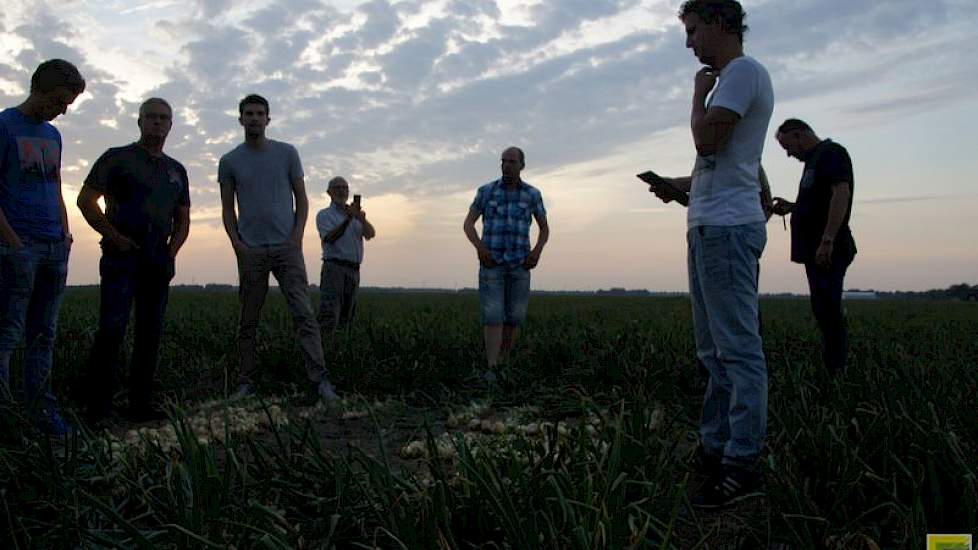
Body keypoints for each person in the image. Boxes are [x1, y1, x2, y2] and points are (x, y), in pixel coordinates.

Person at [647, 0, 773, 509]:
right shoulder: (733, 81)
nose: (689, 43)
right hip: (708, 225)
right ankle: (715, 447)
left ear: (720, 23)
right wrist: (680, 187)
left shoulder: (741, 74)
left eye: (693, 30)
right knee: (712, 352)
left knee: (738, 351)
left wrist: (696, 97)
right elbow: (720, 163)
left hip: (725, 230)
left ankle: (741, 462)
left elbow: (706, 141)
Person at [218, 94, 339, 401]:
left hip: (287, 249)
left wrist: (296, 237)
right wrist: (237, 244)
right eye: (249, 113)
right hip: (251, 251)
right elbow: (227, 208)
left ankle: (321, 382)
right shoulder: (230, 161)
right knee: (248, 319)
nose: (255, 118)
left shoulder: (287, 153)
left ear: (268, 120)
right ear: (240, 119)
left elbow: (301, 197)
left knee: (304, 314)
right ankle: (245, 382)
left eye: (260, 113)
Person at [77, 98, 190, 423]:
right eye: (151, 117)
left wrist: (171, 253)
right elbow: (86, 200)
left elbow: (182, 219)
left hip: (157, 260)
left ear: (171, 124)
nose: (157, 123)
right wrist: (114, 237)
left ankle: (139, 404)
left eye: (163, 118)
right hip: (121, 258)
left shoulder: (176, 170)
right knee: (111, 330)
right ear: (139, 122)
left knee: (149, 333)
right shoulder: (117, 158)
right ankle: (98, 408)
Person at [0, 59, 85, 435]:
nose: (63, 110)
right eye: (60, 100)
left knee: (43, 335)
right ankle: (6, 419)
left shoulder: (53, 136)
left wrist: (65, 235)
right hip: (18, 247)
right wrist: (14, 245)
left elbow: (55, 185)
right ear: (40, 89)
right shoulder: (4, 127)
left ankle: (41, 412)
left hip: (54, 247)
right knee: (7, 334)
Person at [771, 118, 856, 376]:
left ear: (799, 135)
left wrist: (828, 239)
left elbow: (841, 194)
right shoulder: (814, 161)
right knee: (822, 309)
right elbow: (818, 203)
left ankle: (837, 370)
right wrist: (793, 207)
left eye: (788, 147)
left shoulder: (831, 153)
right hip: (815, 250)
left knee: (828, 310)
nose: (789, 154)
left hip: (829, 249)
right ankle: (832, 364)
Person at [463, 147, 549, 381]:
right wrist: (480, 247)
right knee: (492, 314)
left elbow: (544, 228)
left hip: (520, 265)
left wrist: (537, 252)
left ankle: (503, 364)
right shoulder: (486, 191)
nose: (506, 165)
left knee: (514, 316)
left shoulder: (532, 195)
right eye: (503, 161)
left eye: (511, 161)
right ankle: (492, 368)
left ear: (522, 165)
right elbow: (468, 224)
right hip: (492, 264)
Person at [315, 176, 375, 333]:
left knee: (347, 315)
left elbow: (370, 234)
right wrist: (348, 219)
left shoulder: (356, 216)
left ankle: (341, 348)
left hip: (354, 270)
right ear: (329, 192)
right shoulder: (324, 215)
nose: (342, 191)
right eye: (337, 188)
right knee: (330, 313)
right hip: (334, 268)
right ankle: (325, 348)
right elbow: (330, 238)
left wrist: (361, 219)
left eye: (344, 188)